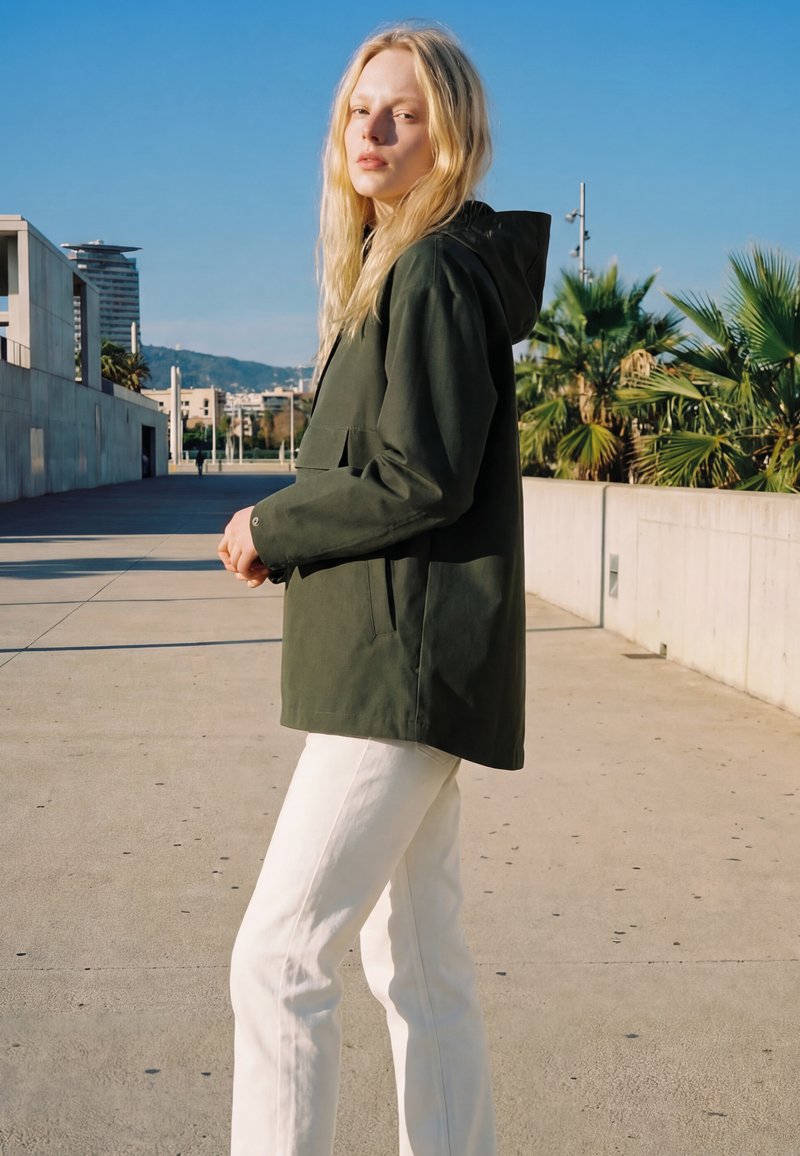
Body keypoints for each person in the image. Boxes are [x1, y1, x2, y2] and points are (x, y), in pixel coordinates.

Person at [217, 23, 549, 1156]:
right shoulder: (399, 269)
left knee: (279, 957)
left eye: (404, 113)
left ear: (448, 137)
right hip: (402, 664)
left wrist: (271, 524)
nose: (374, 131)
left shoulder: (432, 271)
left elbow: (419, 473)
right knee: (414, 956)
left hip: (397, 673)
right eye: (361, 110)